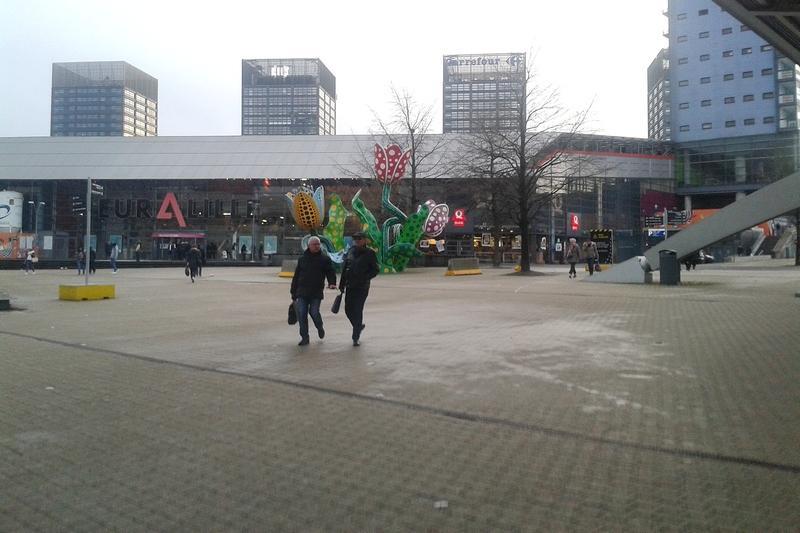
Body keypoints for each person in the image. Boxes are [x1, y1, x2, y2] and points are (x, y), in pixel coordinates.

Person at [290, 236, 337, 346]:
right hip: (302, 291)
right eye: (314, 244)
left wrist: (332, 282)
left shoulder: (324, 259)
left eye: (318, 244)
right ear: (309, 246)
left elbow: (330, 272)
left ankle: (319, 327)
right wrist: (293, 292)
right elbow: (296, 276)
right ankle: (305, 337)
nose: (316, 246)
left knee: (314, 312)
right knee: (302, 313)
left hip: (316, 291)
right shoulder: (302, 259)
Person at [339, 231, 379, 346]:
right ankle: (358, 326)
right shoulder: (351, 251)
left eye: (359, 239)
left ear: (365, 240)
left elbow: (375, 270)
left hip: (362, 287)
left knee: (357, 309)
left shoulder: (370, 253)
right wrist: (342, 284)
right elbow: (345, 268)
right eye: (355, 239)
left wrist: (365, 277)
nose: (357, 241)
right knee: (348, 309)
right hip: (350, 285)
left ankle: (355, 337)